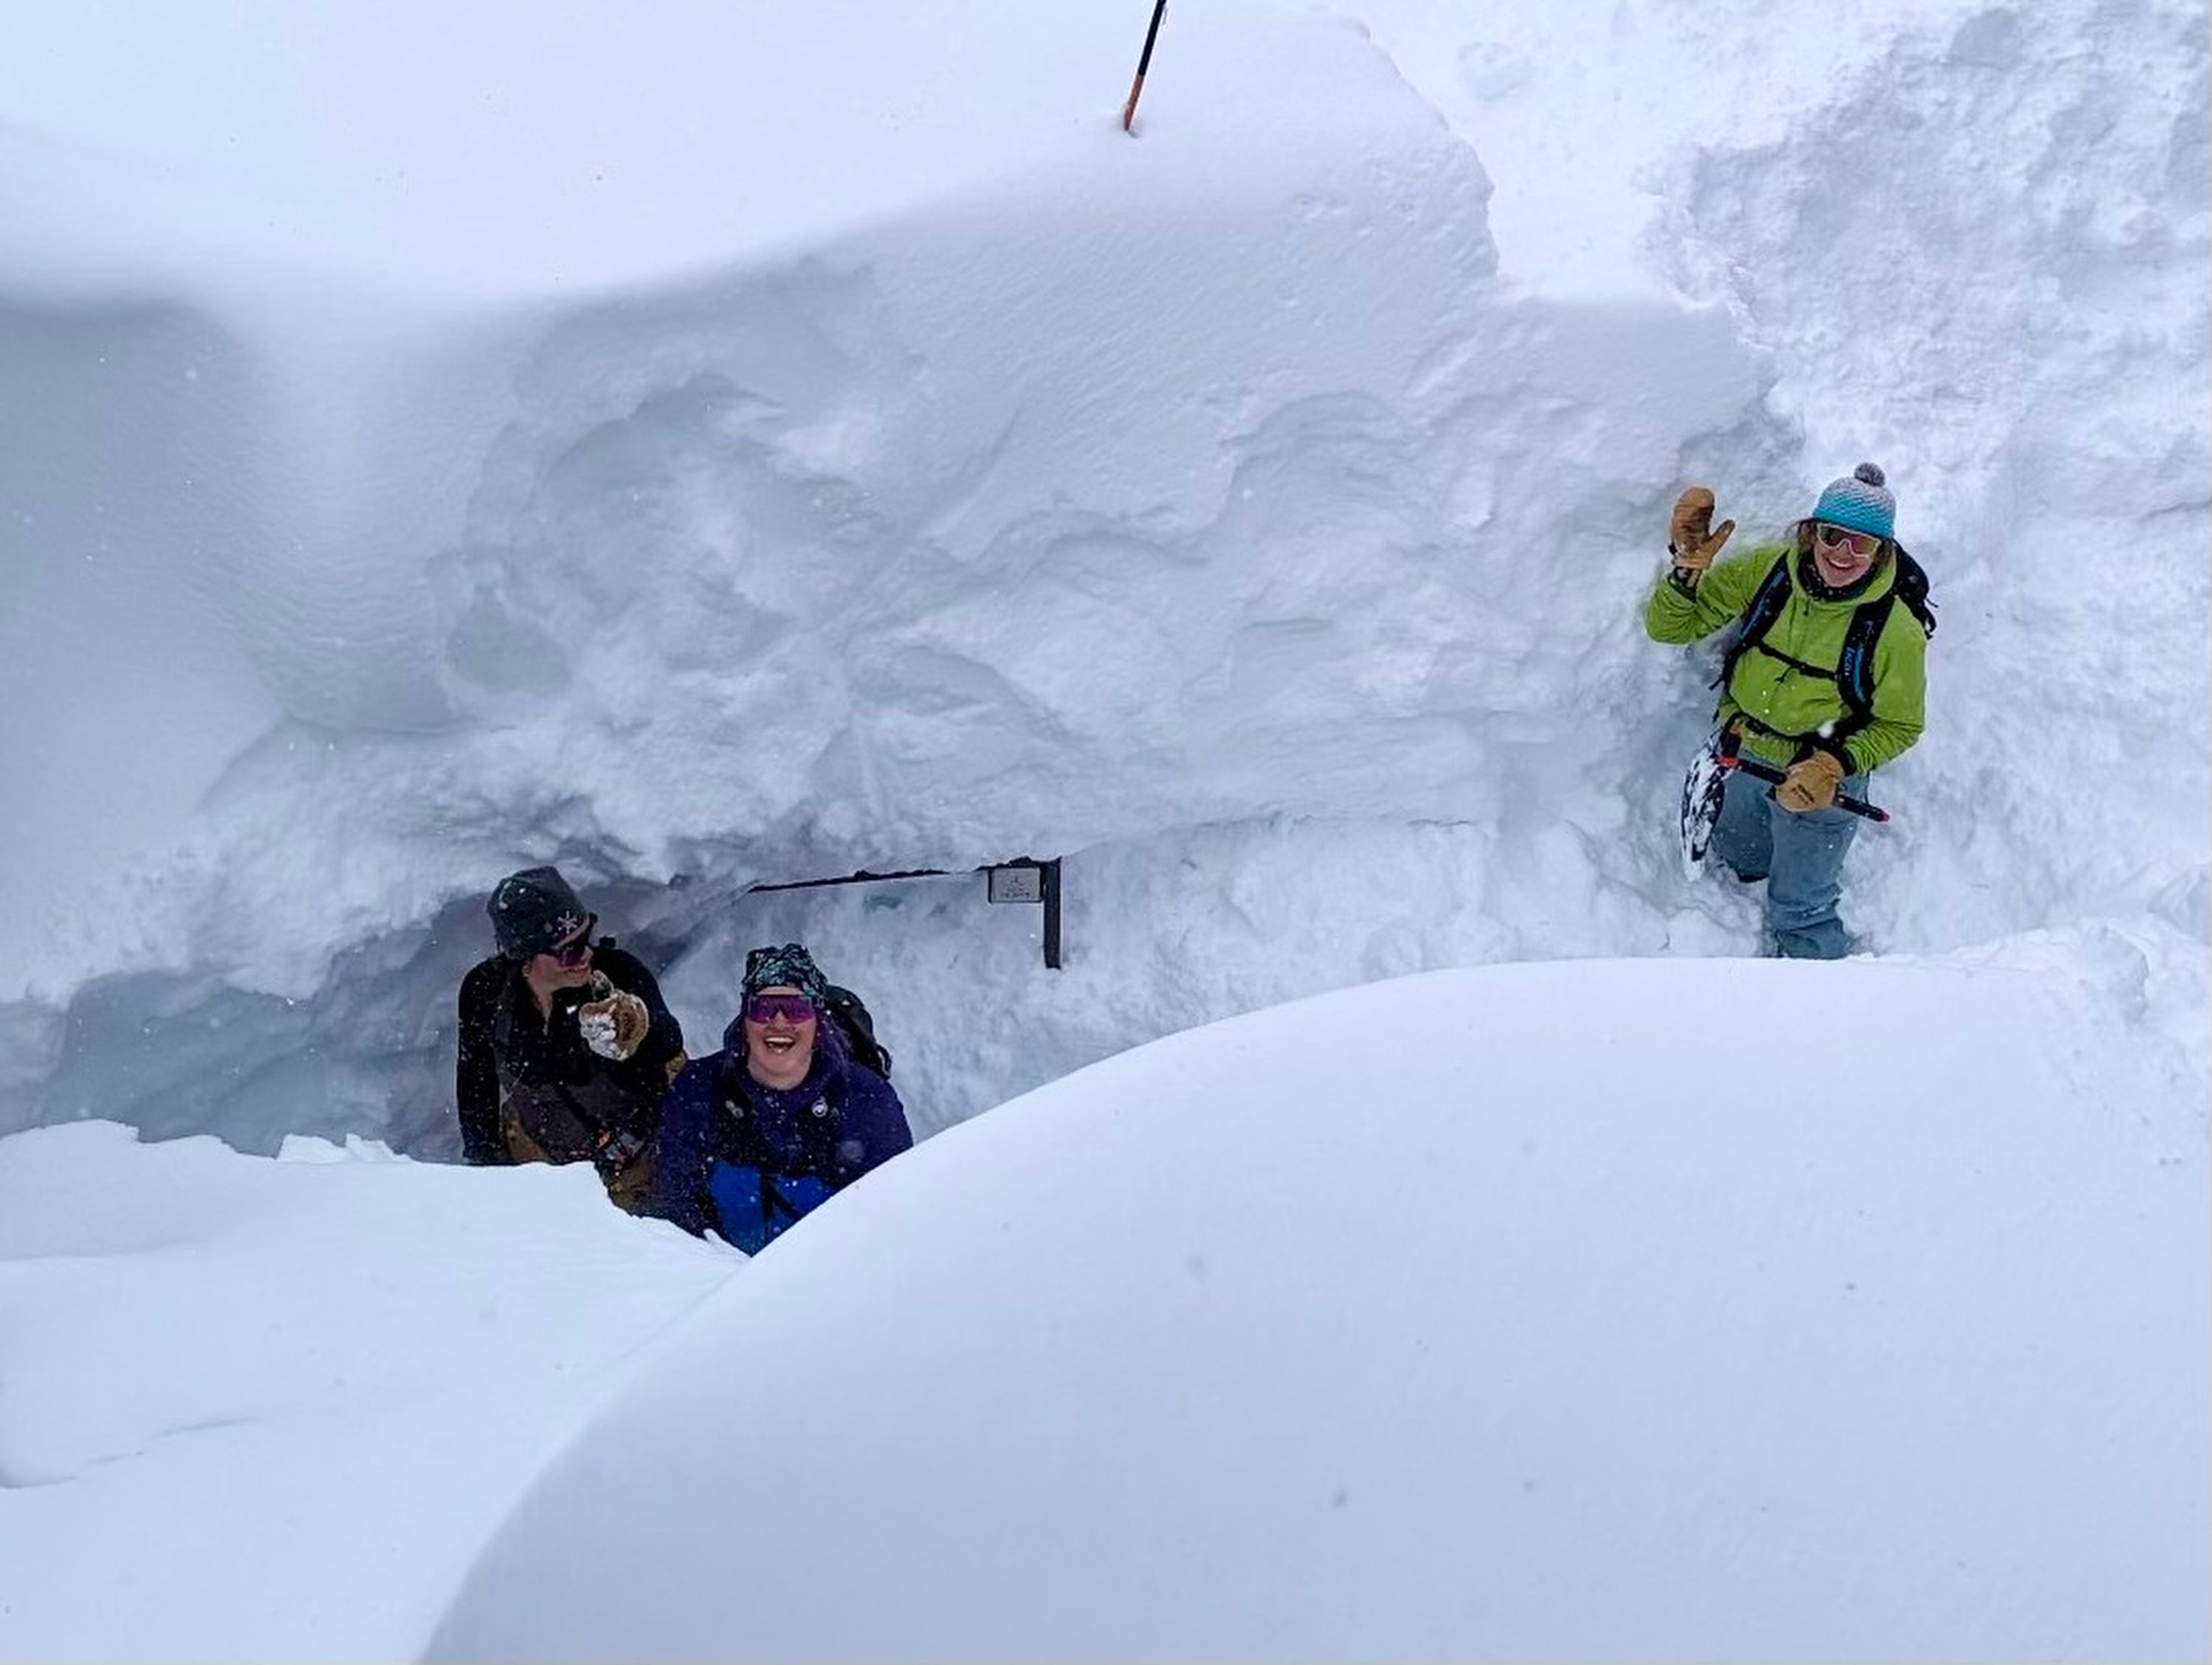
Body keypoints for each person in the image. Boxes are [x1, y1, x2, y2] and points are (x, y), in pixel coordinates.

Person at [1646, 463, 1929, 958]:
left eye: (1862, 544)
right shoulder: (1767, 572)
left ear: (1882, 551)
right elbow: (1670, 628)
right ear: (1811, 532)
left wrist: (1831, 766)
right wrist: (1687, 571)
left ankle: (1818, 991)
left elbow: (1901, 725)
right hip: (1743, 751)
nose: (1843, 553)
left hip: (1821, 775)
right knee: (1742, 857)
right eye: (1833, 535)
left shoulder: (1895, 630)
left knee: (1801, 909)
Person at [651, 944, 913, 1253]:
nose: (778, 1022)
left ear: (817, 1021)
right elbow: (675, 1208)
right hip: (717, 1274)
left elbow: (895, 1216)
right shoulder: (699, 1088)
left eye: (796, 1009)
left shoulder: (864, 1098)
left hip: (836, 1272)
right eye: (763, 1008)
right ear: (745, 1020)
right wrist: (718, 1271)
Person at [456, 866, 686, 1209]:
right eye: (570, 951)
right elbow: (475, 1081)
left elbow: (668, 1043)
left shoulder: (618, 973)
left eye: (587, 936)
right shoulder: (486, 993)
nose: (587, 955)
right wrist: (486, 1166)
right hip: (541, 1157)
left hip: (636, 1152)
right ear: (526, 959)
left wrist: (636, 1033)